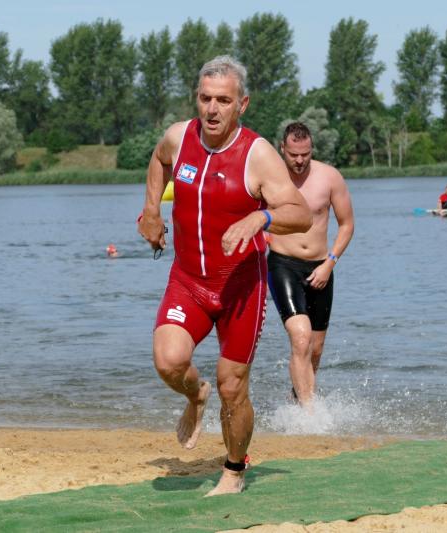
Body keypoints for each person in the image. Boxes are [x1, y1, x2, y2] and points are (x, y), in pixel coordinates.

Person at [137, 56, 311, 496]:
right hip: (188, 281)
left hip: (240, 288)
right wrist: (152, 211)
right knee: (168, 361)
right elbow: (158, 161)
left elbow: (301, 214)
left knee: (232, 387)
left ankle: (234, 470)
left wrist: (261, 218)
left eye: (223, 100)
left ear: (242, 104)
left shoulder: (258, 155)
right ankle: (195, 396)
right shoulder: (180, 137)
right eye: (205, 98)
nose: (212, 109)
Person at [268, 122, 355, 408]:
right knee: (301, 338)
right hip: (283, 264)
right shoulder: (270, 178)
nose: (299, 160)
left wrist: (330, 263)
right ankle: (309, 414)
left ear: (312, 149)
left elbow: (347, 225)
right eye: (293, 154)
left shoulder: (330, 177)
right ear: (282, 148)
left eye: (305, 154)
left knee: (315, 350)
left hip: (321, 268)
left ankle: (297, 400)